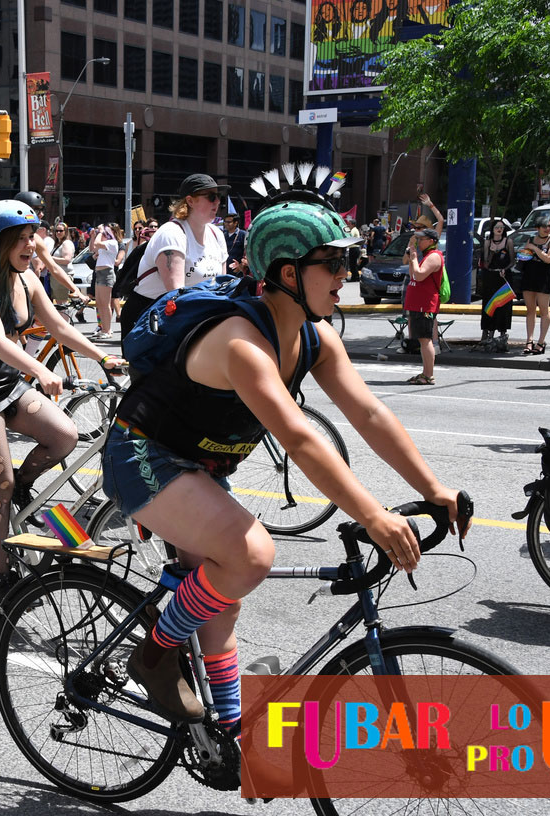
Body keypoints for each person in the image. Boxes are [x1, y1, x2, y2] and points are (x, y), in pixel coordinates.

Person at [101, 193, 466, 730]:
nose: (347, 274)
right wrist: (373, 516)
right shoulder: (241, 343)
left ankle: (226, 734)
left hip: (196, 467)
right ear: (290, 272)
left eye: (349, 261)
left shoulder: (314, 337)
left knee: (222, 600)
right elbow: (298, 437)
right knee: (250, 556)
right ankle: (153, 654)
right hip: (144, 455)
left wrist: (435, 489)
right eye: (335, 264)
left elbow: (367, 414)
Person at [0, 199, 126, 606]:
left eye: (31, 237)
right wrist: (41, 372)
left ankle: (22, 487)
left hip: (6, 379)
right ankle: (2, 577)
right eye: (20, 239)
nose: (30, 245)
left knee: (64, 435)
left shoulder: (26, 279)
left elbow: (58, 326)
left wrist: (103, 356)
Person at [121, 173, 229, 336]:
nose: (218, 202)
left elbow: (222, 287)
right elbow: (177, 294)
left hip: (196, 314)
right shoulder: (172, 233)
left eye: (219, 196)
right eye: (211, 197)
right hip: (151, 319)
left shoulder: (216, 234)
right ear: (190, 201)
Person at [402, 227, 442, 385]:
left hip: (425, 305)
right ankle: (425, 372)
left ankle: (428, 375)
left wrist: (413, 258)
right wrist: (412, 258)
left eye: (421, 239)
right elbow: (413, 274)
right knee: (422, 340)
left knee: (426, 340)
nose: (418, 242)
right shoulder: (426, 256)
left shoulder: (434, 256)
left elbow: (419, 276)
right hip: (418, 304)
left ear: (431, 241)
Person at [516, 217, 550, 354]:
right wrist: (524, 252)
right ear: (538, 228)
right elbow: (524, 256)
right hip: (530, 275)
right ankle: (529, 340)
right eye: (544, 226)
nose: (547, 228)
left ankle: (541, 342)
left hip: (544, 276)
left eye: (549, 226)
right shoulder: (531, 239)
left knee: (544, 310)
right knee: (530, 310)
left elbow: (548, 258)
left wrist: (534, 248)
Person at [473, 219, 515, 353]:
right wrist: (491, 252)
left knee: (504, 306)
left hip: (503, 278)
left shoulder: (508, 242)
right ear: (492, 229)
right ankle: (488, 333)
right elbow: (485, 263)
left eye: (501, 228)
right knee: (489, 305)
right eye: (497, 227)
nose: (499, 230)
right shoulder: (487, 243)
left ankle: (502, 334)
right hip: (490, 277)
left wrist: (505, 269)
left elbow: (512, 260)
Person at [90, 222, 124, 340]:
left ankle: (108, 330)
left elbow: (97, 244)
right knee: (99, 303)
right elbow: (92, 248)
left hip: (106, 274)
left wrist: (100, 232)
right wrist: (93, 235)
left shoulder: (112, 243)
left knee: (105, 304)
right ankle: (103, 328)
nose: (102, 234)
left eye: (105, 233)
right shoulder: (105, 244)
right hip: (99, 273)